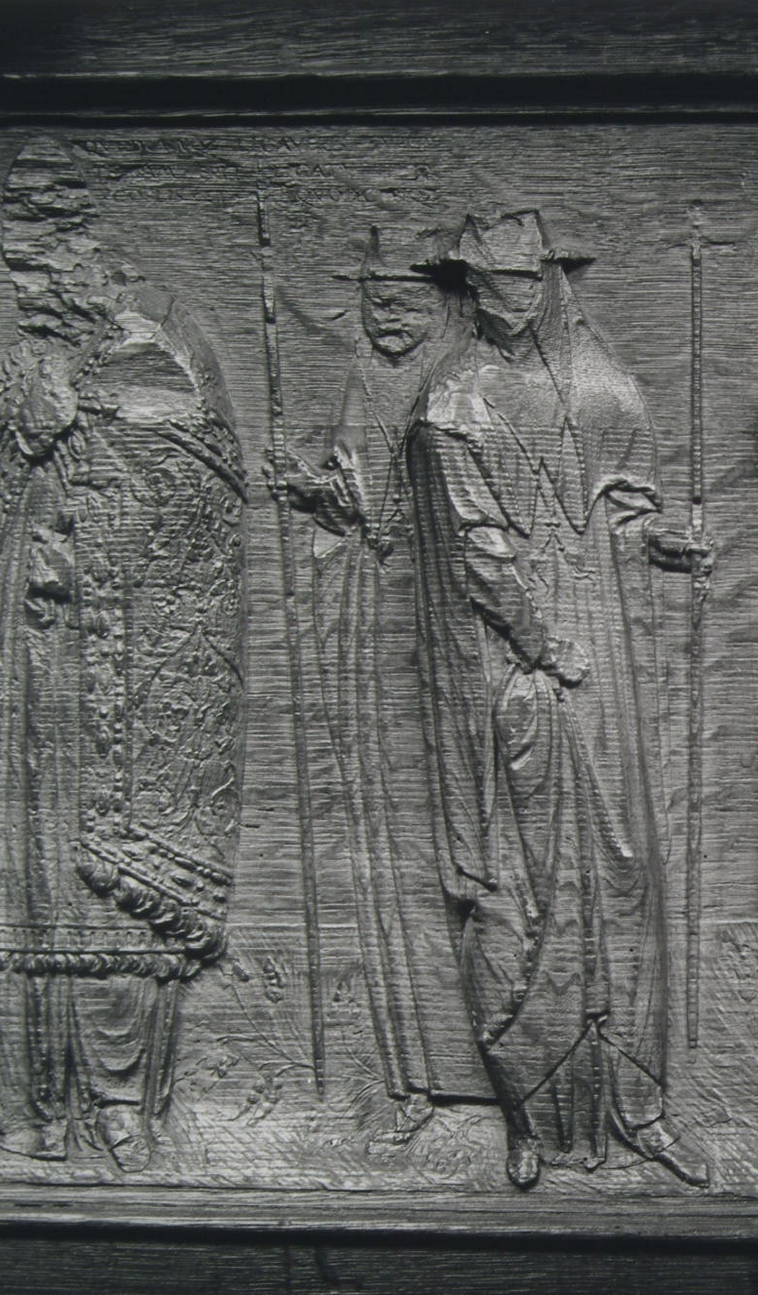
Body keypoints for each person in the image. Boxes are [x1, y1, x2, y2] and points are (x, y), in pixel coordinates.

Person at [0, 140, 243, 1173]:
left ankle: (119, 1100)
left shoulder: (153, 352)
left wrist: (81, 535)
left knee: (105, 887)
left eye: (43, 267)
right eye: (16, 270)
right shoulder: (14, 369)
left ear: (92, 251)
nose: (28, 290)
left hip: (122, 673)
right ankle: (28, 1103)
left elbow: (197, 508)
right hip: (24, 663)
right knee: (26, 867)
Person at [402, 210, 711, 1190]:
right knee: (523, 889)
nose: (515, 299)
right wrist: (545, 646)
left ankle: (638, 1102)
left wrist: (659, 539)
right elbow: (478, 552)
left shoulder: (594, 383)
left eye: (528, 280)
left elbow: (623, 504)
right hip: (512, 673)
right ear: (470, 288)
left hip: (602, 656)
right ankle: (530, 1111)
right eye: (495, 283)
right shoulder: (451, 406)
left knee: (622, 869)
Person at [271, 227, 489, 1146]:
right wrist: (316, 493)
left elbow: (467, 520)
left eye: (403, 301)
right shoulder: (367, 378)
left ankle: (492, 1070)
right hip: (372, 641)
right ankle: (414, 1073)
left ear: (441, 304)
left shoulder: (463, 384)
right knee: (386, 857)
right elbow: (357, 508)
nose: (386, 318)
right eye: (373, 301)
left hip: (443, 650)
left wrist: (377, 513)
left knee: (458, 852)